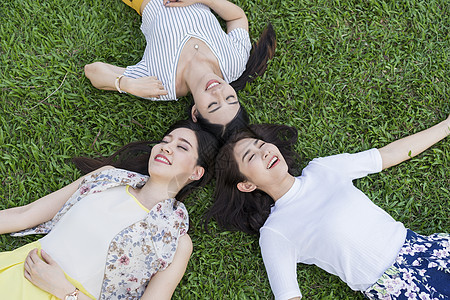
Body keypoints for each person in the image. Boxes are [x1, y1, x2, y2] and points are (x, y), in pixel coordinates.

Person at [207, 116, 450, 299]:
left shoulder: (322, 169)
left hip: (425, 249)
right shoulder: (275, 232)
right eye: (251, 157)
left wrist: (446, 126)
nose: (265, 152)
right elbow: (288, 295)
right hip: (397, 287)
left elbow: (387, 155)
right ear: (247, 185)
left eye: (261, 145)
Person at [0, 119, 219, 300]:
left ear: (196, 173)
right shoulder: (107, 178)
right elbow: (25, 214)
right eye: (165, 140)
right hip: (14, 272)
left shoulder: (177, 242)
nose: (166, 147)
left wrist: (65, 291)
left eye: (182, 147)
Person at [84, 0, 276, 139]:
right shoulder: (235, 63)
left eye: (213, 105)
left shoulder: (161, 86)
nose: (218, 92)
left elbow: (92, 71)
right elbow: (237, 17)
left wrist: (127, 84)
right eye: (229, 98)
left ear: (195, 113)